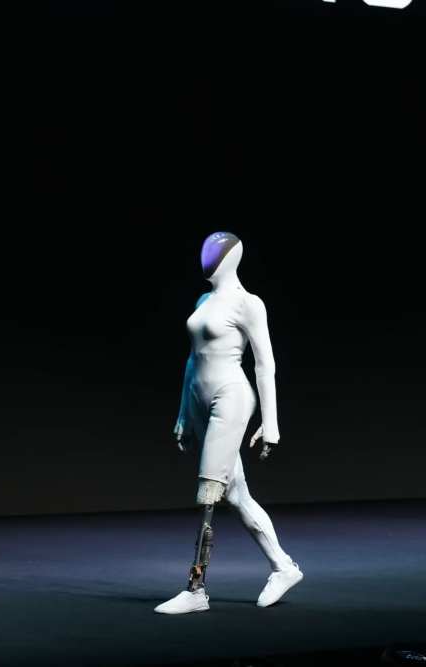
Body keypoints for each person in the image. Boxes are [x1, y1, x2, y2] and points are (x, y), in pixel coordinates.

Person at [155, 232, 302, 613]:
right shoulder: (203, 301)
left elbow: (265, 363)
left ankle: (196, 588)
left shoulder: (248, 303)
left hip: (231, 397)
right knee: (236, 494)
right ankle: (284, 566)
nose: (207, 258)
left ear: (233, 258)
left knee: (210, 490)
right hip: (200, 400)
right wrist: (183, 413)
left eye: (215, 253)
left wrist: (271, 423)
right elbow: (192, 360)